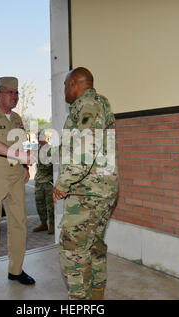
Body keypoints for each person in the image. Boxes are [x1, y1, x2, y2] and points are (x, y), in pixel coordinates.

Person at [52, 67, 119, 300]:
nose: (64, 91)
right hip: (99, 191)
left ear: (74, 84)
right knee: (94, 247)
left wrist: (62, 184)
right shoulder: (99, 104)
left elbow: (84, 153)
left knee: (73, 253)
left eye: (64, 85)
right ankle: (97, 296)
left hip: (87, 194)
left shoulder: (88, 105)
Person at [0, 76, 37, 294]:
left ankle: (16, 270)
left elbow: (19, 143)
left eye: (17, 93)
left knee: (19, 224)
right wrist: (21, 156)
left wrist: (24, 169)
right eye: (10, 93)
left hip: (15, 178)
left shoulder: (18, 119)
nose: (15, 97)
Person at [33, 130, 54, 234]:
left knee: (50, 205)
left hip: (48, 181)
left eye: (41, 136)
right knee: (39, 204)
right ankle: (43, 223)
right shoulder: (37, 149)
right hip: (39, 181)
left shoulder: (51, 149)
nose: (39, 139)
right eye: (38, 137)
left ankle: (52, 225)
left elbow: (52, 164)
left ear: (46, 137)